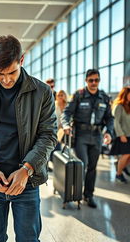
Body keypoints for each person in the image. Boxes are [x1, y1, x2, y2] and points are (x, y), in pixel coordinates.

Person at [0, 35, 57, 242]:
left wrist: (26, 170)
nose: (6, 79)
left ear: (21, 60)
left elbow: (48, 135)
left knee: (28, 239)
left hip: (27, 181)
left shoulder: (41, 92)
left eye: (12, 72)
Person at [61, 69, 114, 208]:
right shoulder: (79, 95)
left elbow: (109, 118)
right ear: (86, 81)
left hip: (96, 136)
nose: (93, 83)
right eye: (91, 80)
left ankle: (88, 195)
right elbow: (66, 112)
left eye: (96, 80)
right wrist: (66, 125)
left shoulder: (104, 97)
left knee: (92, 167)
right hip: (81, 135)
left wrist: (108, 132)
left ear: (99, 81)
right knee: (83, 163)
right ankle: (76, 191)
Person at [109, 87, 130, 183]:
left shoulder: (129, 106)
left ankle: (121, 166)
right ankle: (118, 174)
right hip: (123, 135)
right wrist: (121, 134)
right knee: (126, 154)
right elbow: (116, 122)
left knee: (128, 156)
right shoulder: (119, 106)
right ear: (125, 95)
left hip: (129, 134)